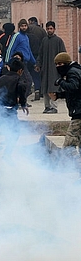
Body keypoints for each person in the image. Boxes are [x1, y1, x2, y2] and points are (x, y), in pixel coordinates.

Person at [0, 58, 29, 161]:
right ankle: (7, 155)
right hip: (8, 110)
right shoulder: (19, 80)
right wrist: (23, 104)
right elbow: (21, 88)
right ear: (20, 71)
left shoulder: (2, 78)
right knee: (15, 132)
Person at [51, 52, 81, 181]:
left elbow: (73, 87)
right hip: (78, 111)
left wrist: (60, 82)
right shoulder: (75, 70)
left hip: (79, 114)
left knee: (69, 143)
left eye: (60, 64)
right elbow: (74, 93)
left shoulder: (72, 72)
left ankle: (66, 170)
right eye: (56, 64)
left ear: (66, 63)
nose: (58, 66)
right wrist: (59, 96)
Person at [35, 21, 66, 114]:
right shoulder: (44, 40)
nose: (49, 30)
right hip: (45, 68)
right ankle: (47, 106)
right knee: (45, 88)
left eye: (51, 28)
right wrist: (38, 64)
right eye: (48, 29)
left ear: (54, 29)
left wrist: (63, 68)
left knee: (53, 88)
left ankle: (54, 107)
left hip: (55, 70)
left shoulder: (59, 41)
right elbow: (40, 54)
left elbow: (63, 55)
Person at [26, 16, 47, 101]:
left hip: (27, 56)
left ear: (30, 21)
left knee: (26, 75)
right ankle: (38, 90)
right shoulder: (42, 30)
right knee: (36, 75)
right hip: (37, 55)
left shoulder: (25, 35)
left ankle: (27, 92)